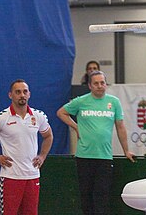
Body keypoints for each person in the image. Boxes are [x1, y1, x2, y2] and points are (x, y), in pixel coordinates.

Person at [57, 70, 135, 215]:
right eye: (96, 83)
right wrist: (76, 127)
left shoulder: (114, 102)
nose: (99, 86)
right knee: (86, 196)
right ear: (90, 86)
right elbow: (61, 112)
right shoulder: (81, 101)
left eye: (102, 83)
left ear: (106, 84)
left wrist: (126, 151)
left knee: (102, 196)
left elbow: (120, 127)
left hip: (104, 157)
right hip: (84, 156)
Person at [0, 79, 53, 215]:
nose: (22, 95)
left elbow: (48, 136)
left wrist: (42, 156)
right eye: (18, 92)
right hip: (10, 177)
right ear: (10, 95)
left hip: (32, 176)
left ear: (29, 94)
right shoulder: (2, 117)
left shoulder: (38, 116)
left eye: (25, 91)